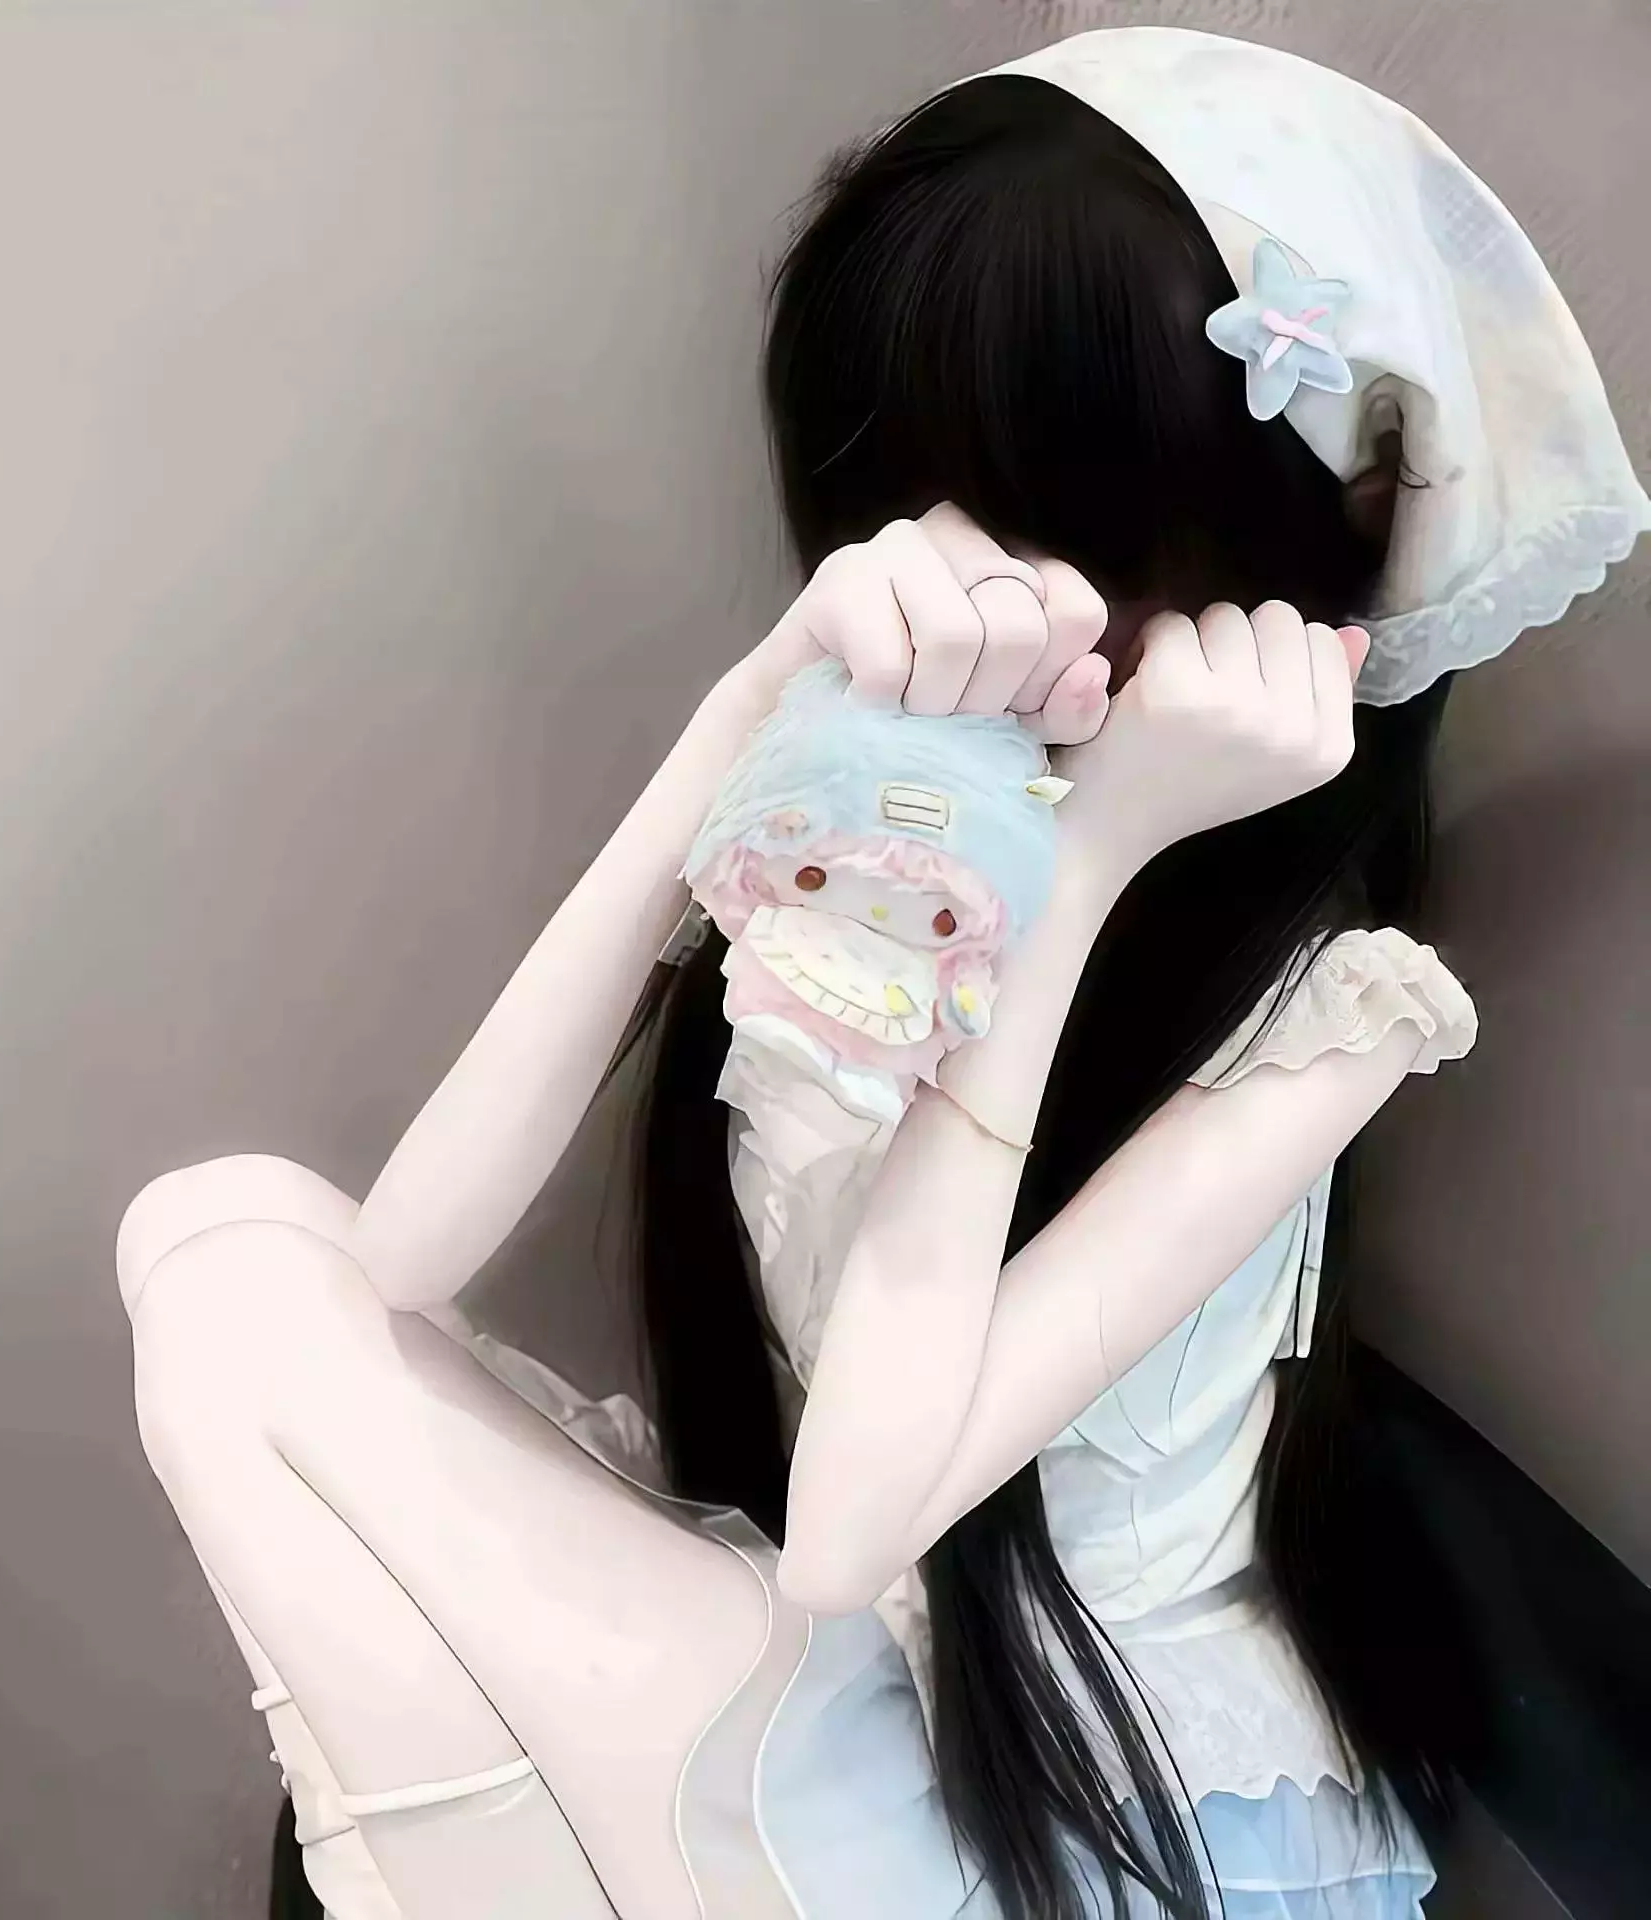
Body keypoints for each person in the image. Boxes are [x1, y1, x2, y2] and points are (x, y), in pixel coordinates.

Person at [115, 28, 1649, 1920]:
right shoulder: (880, 846)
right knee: (222, 1245)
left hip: (1076, 1830)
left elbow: (848, 1529)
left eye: (1063, 525)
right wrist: (753, 704)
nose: (979, 581)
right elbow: (402, 1262)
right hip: (830, 1711)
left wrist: (1098, 850)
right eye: (913, 500)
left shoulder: (1325, 1015)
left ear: (1270, 565)